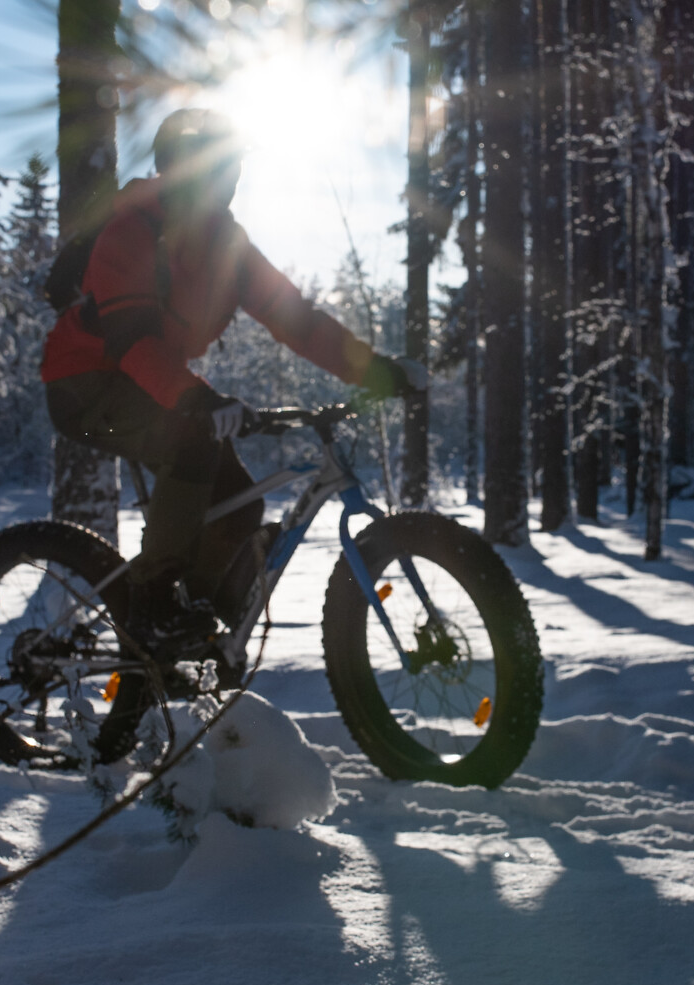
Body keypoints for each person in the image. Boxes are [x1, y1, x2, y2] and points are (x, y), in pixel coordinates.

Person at [42, 108, 424, 652]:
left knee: (240, 503)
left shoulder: (228, 244)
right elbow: (132, 341)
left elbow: (298, 319)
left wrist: (377, 371)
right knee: (193, 439)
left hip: (153, 381)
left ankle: (190, 623)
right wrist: (196, 398)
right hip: (87, 383)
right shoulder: (132, 230)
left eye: (233, 168)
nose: (228, 182)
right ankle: (152, 606)